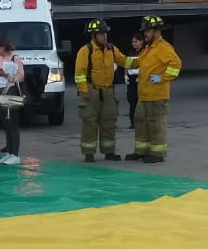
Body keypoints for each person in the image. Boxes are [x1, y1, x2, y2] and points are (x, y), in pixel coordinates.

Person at [73, 18, 135, 162]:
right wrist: (84, 90)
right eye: (101, 33)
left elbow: (124, 60)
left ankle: (109, 151)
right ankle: (89, 153)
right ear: (93, 35)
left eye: (105, 33)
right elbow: (79, 73)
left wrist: (142, 60)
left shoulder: (111, 49)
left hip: (108, 91)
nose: (104, 36)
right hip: (91, 91)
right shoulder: (85, 51)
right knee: (89, 123)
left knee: (109, 122)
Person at [129, 15, 182, 164]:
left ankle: (157, 153)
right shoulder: (148, 48)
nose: (145, 34)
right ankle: (141, 151)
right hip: (144, 95)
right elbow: (138, 62)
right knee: (140, 122)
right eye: (145, 31)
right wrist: (119, 59)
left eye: (147, 31)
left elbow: (176, 64)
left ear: (156, 31)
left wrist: (162, 78)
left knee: (156, 124)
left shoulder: (163, 47)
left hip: (157, 95)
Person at [0, 40, 24, 166]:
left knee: (12, 123)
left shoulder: (15, 59)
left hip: (10, 91)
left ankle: (15, 154)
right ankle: (9, 151)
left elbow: (21, 76)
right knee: (5, 123)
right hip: (0, 92)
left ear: (3, 47)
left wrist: (7, 75)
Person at [124, 32, 145, 133]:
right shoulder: (131, 53)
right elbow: (127, 65)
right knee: (132, 101)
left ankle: (142, 122)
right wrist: (125, 75)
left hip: (141, 79)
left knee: (141, 102)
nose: (134, 44)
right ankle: (133, 122)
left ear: (141, 41)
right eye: (132, 42)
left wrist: (141, 76)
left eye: (136, 41)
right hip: (131, 80)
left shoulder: (145, 52)